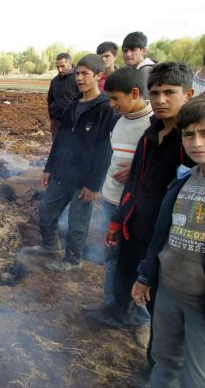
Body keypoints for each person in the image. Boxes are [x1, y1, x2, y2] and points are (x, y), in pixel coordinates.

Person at [103, 62, 195, 388]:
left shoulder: (192, 144)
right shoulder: (150, 133)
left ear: (188, 94)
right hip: (136, 228)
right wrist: (117, 221)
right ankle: (130, 328)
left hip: (170, 242)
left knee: (164, 313)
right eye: (155, 93)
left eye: (169, 92)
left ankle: (160, 371)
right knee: (131, 282)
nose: (160, 99)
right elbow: (134, 186)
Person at [131, 95, 205, 388]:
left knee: (196, 374)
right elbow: (162, 237)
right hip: (170, 292)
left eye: (204, 133)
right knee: (164, 360)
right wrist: (145, 276)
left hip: (201, 303)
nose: (196, 142)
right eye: (189, 135)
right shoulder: (182, 182)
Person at [25, 54, 118, 272]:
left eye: (85, 74)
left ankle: (73, 259)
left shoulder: (105, 108)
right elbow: (60, 140)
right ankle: (50, 246)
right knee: (46, 211)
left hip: (84, 179)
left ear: (98, 75)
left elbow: (105, 150)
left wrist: (94, 185)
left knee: (78, 223)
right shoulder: (74, 104)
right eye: (78, 73)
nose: (80, 78)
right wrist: (49, 168)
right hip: (62, 173)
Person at [87, 67, 154, 348]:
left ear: (135, 94)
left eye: (115, 99)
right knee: (111, 258)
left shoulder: (153, 126)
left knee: (132, 263)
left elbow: (162, 169)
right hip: (112, 202)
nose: (111, 105)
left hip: (134, 210)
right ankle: (114, 305)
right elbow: (114, 159)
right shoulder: (120, 121)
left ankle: (135, 316)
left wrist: (139, 171)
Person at [47, 53, 79, 140]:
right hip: (57, 121)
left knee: (71, 149)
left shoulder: (79, 78)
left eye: (62, 66)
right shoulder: (55, 81)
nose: (60, 69)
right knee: (56, 147)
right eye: (57, 67)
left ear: (70, 63)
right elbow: (50, 99)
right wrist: (52, 117)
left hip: (73, 122)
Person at [122, 32, 155, 100]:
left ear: (144, 51)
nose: (128, 54)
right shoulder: (130, 71)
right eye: (125, 51)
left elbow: (146, 101)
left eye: (133, 50)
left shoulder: (146, 71)